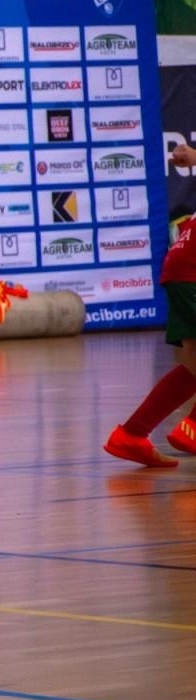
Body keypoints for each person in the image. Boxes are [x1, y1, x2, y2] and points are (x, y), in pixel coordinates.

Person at [104, 141, 196, 466]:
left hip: (180, 267)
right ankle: (193, 429)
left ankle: (131, 435)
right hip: (191, 271)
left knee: (191, 368)